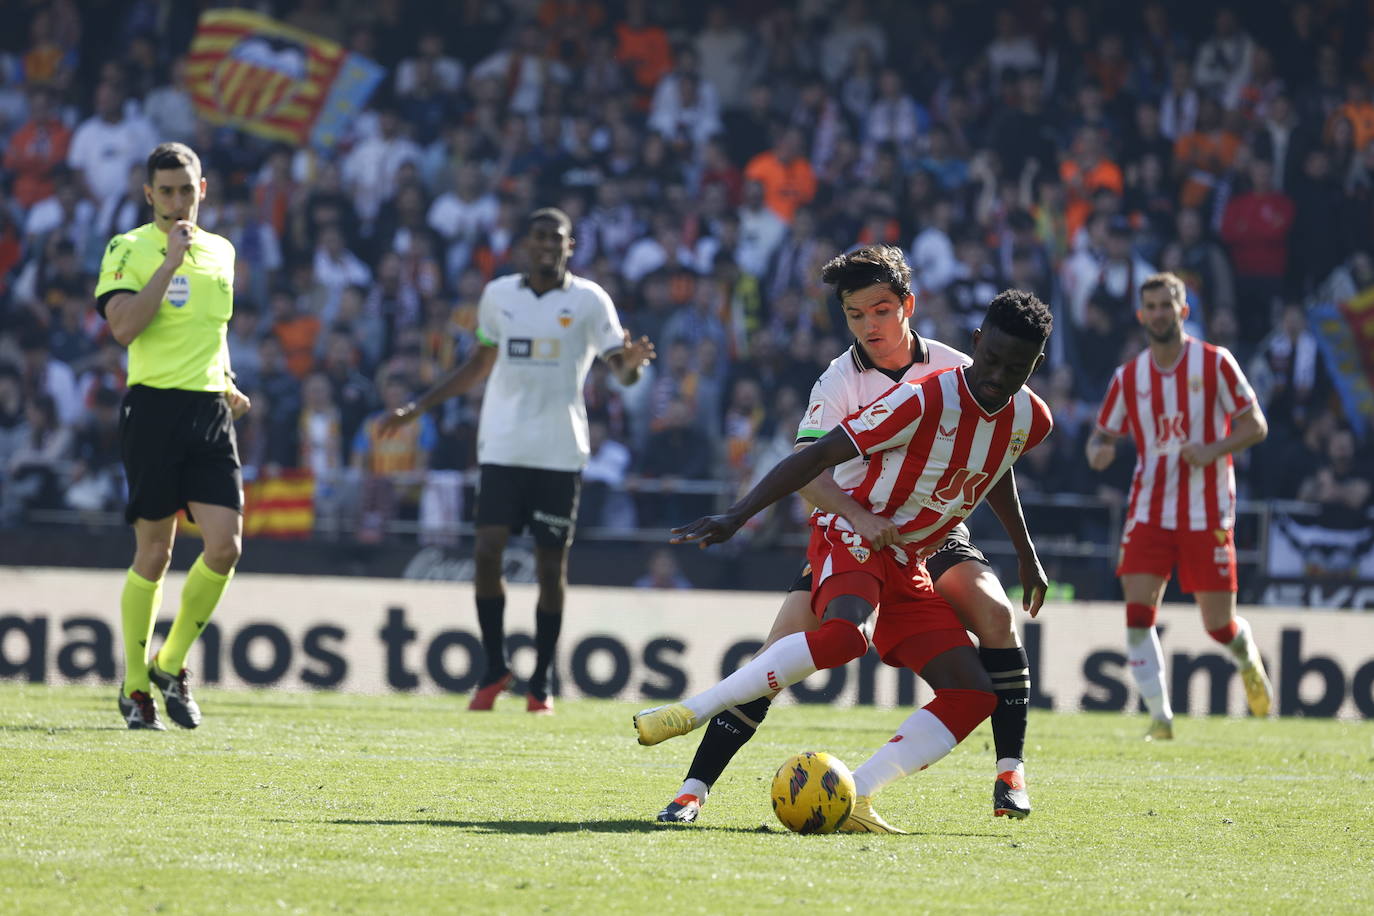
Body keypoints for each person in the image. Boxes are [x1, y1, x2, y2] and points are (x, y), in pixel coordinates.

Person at [653, 246, 1049, 826]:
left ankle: (1009, 771)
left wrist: (1024, 550)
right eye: (856, 315)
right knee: (784, 653)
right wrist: (849, 518)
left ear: (908, 307)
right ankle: (694, 787)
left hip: (932, 533)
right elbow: (810, 468)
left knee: (994, 615)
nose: (870, 326)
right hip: (855, 525)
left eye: (881, 311)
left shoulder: (962, 366)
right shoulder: (840, 380)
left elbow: (994, 451)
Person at [382, 208, 655, 714]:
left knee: (551, 566)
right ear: (525, 245)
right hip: (503, 446)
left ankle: (542, 679)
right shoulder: (499, 297)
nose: (548, 245)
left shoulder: (591, 301)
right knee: (487, 552)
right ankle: (494, 667)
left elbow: (622, 370)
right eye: (540, 237)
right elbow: (478, 364)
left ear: (571, 246)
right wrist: (419, 406)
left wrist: (632, 370)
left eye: (558, 238)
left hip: (558, 451)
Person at [94, 142, 251, 730]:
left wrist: (228, 380)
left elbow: (215, 330)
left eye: (187, 189)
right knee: (155, 553)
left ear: (202, 189)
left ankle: (170, 661)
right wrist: (168, 264)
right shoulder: (128, 249)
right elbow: (125, 329)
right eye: (167, 191)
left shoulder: (222, 252)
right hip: (154, 410)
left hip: (209, 409)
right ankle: (135, 688)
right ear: (148, 194)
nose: (178, 200)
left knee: (225, 546)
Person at [1085, 271, 1272, 740]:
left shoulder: (1215, 363)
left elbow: (1256, 425)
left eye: (1167, 305)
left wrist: (1212, 449)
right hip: (1148, 509)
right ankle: (1160, 717)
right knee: (1137, 616)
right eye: (1151, 307)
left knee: (1217, 623)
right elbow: (1101, 436)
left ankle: (1246, 655)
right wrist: (1098, 452)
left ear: (1183, 311)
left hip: (1206, 512)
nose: (1159, 314)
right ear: (1140, 315)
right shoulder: (1129, 376)